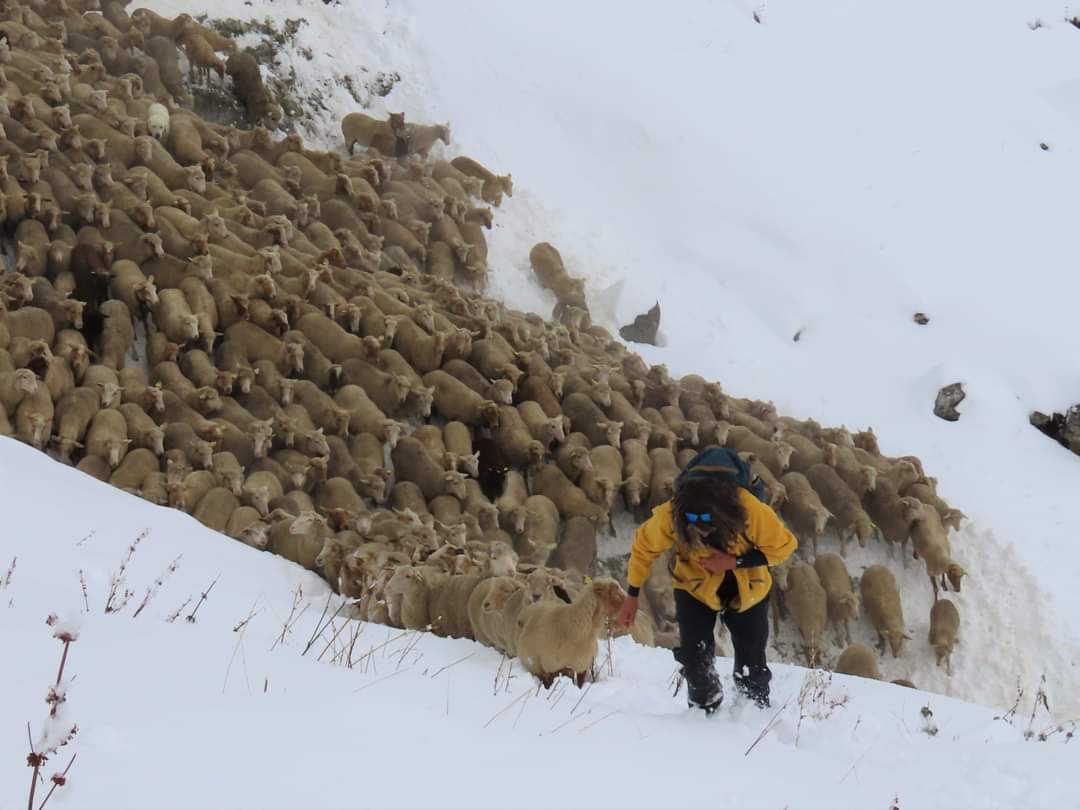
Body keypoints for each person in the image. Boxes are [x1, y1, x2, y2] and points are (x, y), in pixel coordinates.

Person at [616, 453, 797, 713]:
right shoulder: (673, 512)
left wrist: (733, 562)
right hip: (695, 586)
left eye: (707, 520)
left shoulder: (750, 511)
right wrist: (632, 595)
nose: (699, 526)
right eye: (691, 520)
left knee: (751, 666)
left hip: (748, 588)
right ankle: (703, 711)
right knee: (694, 660)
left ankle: (754, 712)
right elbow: (644, 547)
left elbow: (784, 547)